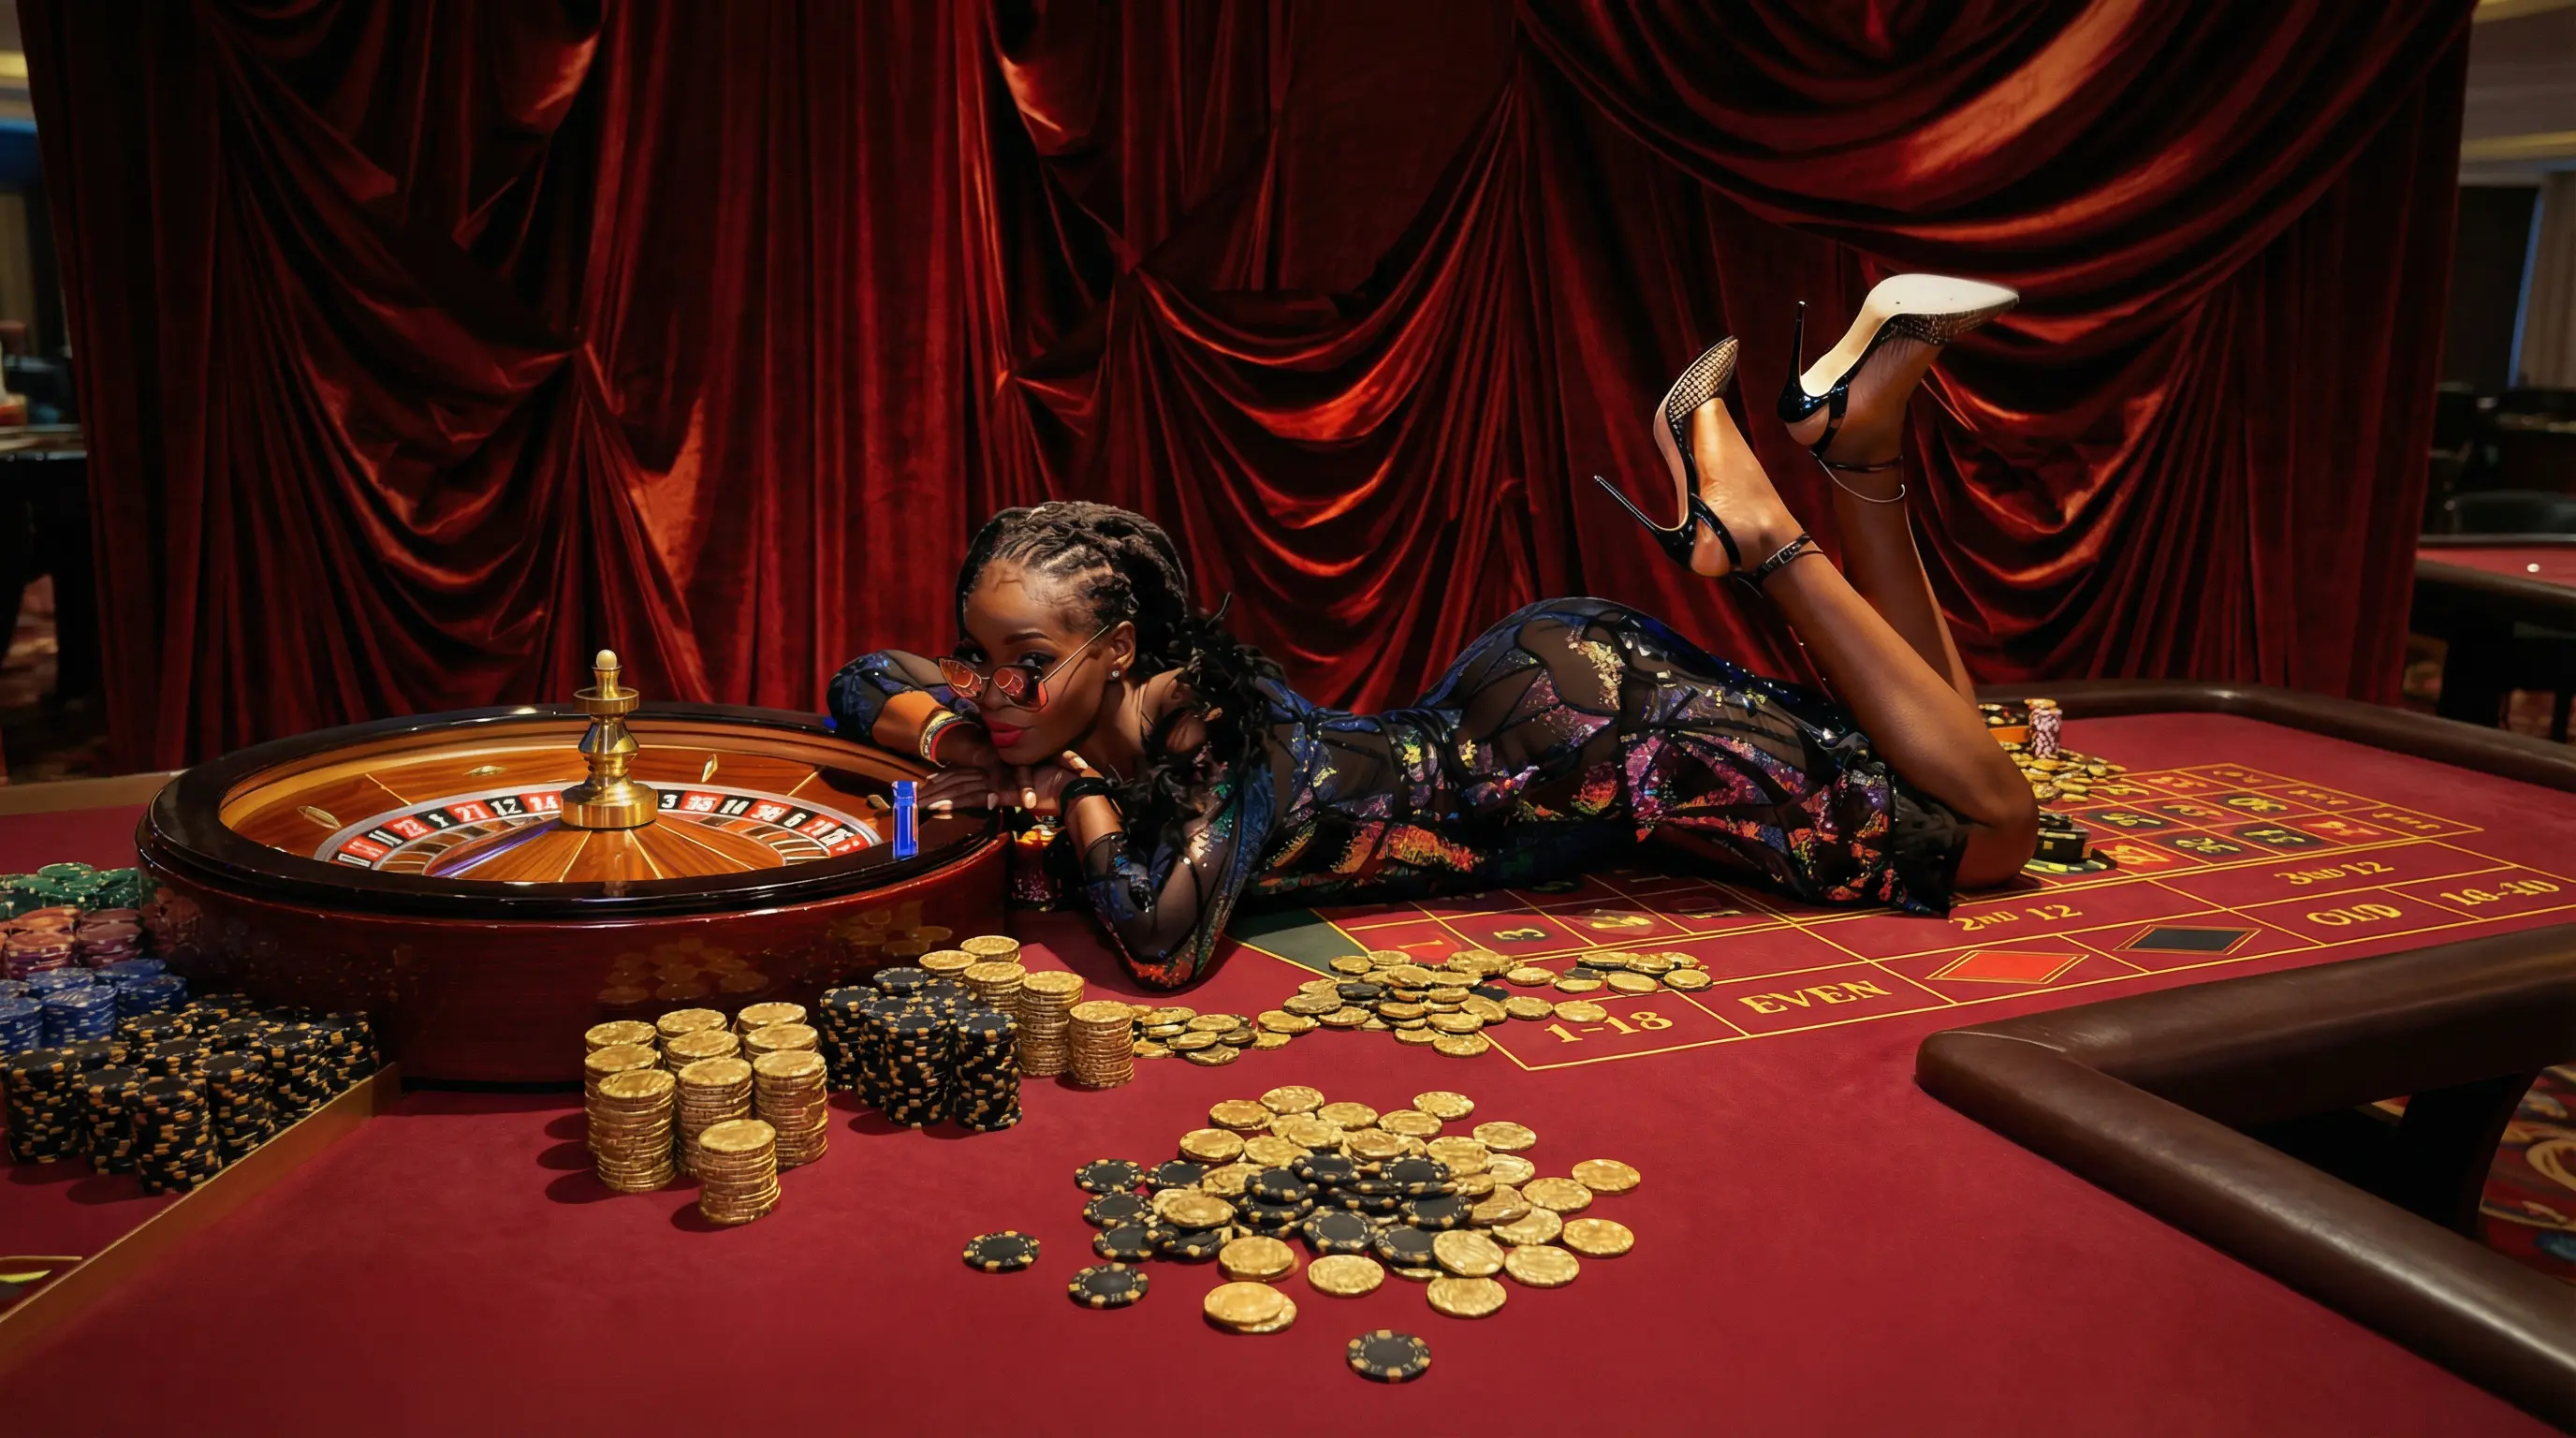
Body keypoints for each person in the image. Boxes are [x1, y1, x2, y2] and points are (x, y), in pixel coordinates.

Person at [830, 274, 2037, 989]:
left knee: (1992, 831)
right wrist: (966, 739)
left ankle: (1760, 532)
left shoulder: (1208, 735)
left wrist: (1075, 778)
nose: (993, 685)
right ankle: (1856, 436)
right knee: (1918, 741)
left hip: (1601, 746)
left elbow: (1162, 943)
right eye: (978, 657)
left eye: (1028, 666)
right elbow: (861, 676)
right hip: (1524, 697)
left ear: (1127, 650)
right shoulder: (1086, 700)